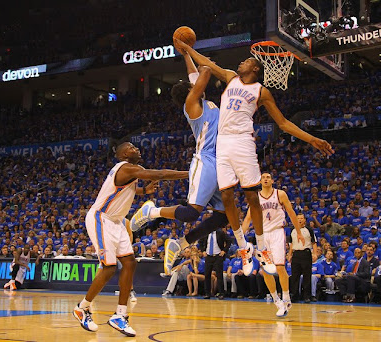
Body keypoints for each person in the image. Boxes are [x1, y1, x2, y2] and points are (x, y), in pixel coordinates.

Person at [174, 38, 334, 276]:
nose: (241, 62)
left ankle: (261, 248)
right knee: (227, 195)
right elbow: (206, 63)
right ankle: (243, 247)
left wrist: (311, 139)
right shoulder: (230, 77)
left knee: (252, 198)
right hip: (223, 143)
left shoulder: (262, 91)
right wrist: (187, 50)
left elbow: (283, 122)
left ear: (255, 68)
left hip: (243, 142)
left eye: (246, 60)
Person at [73, 142, 188, 337]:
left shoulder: (132, 171)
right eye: (133, 147)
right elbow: (159, 174)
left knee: (129, 263)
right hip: (101, 218)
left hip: (116, 221)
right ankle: (82, 307)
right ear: (124, 154)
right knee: (109, 267)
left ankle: (120, 315)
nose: (137, 149)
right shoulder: (125, 168)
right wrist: (189, 173)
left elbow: (128, 191)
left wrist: (144, 192)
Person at [130, 53, 228, 275]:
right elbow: (204, 72)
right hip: (207, 160)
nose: (196, 85)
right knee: (192, 213)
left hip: (220, 162)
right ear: (190, 93)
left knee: (224, 217)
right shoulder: (192, 105)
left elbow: (194, 75)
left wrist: (185, 53)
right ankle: (152, 212)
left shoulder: (202, 101)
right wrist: (194, 52)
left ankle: (180, 244)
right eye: (192, 87)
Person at [243, 173, 304, 316]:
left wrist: (299, 232)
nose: (265, 179)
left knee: (280, 267)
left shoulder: (280, 194)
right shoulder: (255, 198)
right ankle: (277, 300)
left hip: (277, 233)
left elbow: (291, 212)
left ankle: (286, 297)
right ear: (260, 181)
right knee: (266, 270)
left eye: (268, 177)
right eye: (263, 177)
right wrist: (240, 238)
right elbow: (247, 219)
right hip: (262, 236)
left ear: (272, 180)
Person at [288, 214, 318, 303]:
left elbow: (314, 243)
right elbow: (291, 244)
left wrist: (315, 254)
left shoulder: (309, 230)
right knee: (295, 276)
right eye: (298, 218)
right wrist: (290, 254)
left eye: (301, 218)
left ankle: (307, 296)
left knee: (307, 276)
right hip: (296, 254)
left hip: (306, 253)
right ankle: (295, 295)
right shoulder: (292, 230)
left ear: (305, 220)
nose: (300, 220)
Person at [199, 228, 231, 299]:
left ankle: (221, 293)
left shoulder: (220, 233)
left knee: (219, 275)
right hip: (208, 256)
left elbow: (229, 240)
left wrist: (224, 250)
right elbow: (200, 241)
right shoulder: (206, 233)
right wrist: (203, 251)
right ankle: (207, 293)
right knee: (207, 275)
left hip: (218, 256)